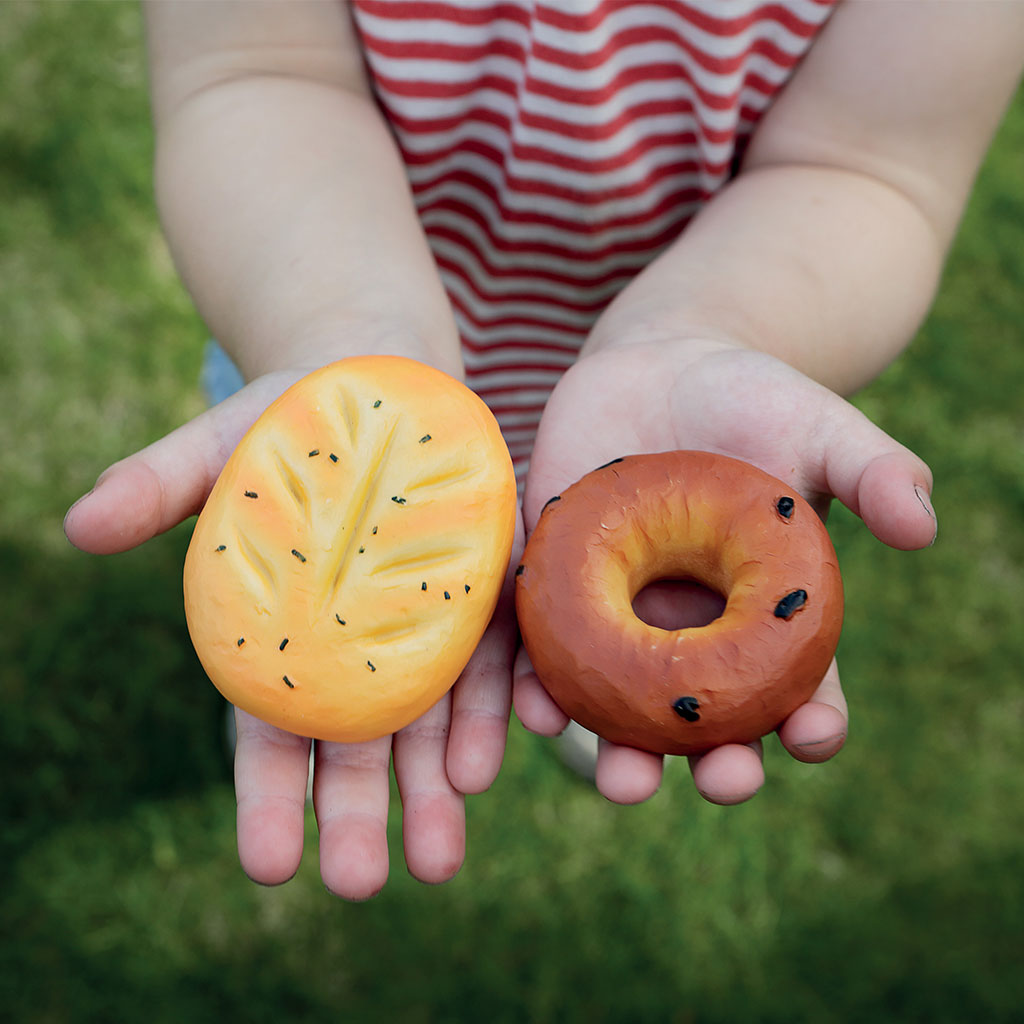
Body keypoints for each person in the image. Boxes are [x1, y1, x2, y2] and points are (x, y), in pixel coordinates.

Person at [63, 1, 1024, 901]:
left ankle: (584, 694)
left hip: (683, 399)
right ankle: (314, 685)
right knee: (307, 563)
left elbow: (870, 167)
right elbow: (256, 72)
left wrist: (703, 328)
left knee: (586, 662)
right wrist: (339, 324)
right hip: (328, 361)